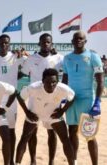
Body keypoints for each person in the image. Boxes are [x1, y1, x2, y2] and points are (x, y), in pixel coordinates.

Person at [15, 68, 75, 165]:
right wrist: (27, 112)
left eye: (54, 82)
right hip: (35, 115)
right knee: (24, 138)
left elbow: (72, 97)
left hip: (53, 116)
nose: (51, 85)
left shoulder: (63, 88)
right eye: (47, 82)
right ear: (42, 81)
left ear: (57, 82)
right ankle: (18, 163)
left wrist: (62, 111)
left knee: (65, 139)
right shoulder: (34, 87)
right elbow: (20, 97)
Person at [0, 34, 26, 165]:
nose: (3, 45)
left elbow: (26, 65)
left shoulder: (15, 57)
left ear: (9, 44)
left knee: (11, 130)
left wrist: (22, 53)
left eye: (6, 43)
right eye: (1, 43)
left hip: (11, 99)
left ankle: (11, 160)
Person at [62, 31, 104, 165]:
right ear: (72, 42)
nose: (78, 41)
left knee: (90, 135)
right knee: (72, 131)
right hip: (71, 100)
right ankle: (73, 162)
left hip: (87, 100)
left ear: (85, 41)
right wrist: (61, 97)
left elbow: (100, 80)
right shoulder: (67, 58)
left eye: (81, 39)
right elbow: (65, 79)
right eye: (76, 39)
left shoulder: (93, 56)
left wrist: (97, 101)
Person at [21, 33, 63, 165]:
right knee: (32, 132)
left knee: (52, 132)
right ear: (39, 43)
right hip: (35, 100)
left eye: (48, 42)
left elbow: (67, 75)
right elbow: (21, 74)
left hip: (53, 100)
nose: (46, 44)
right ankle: (33, 160)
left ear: (52, 44)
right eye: (43, 42)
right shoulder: (31, 59)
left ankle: (51, 161)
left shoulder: (59, 58)